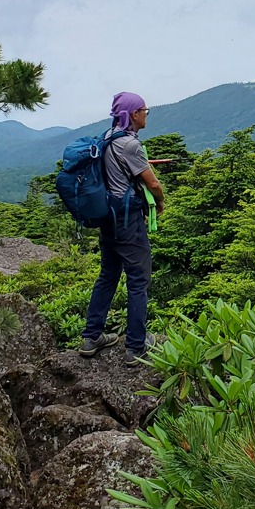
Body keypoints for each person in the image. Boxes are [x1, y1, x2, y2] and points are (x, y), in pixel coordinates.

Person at [80, 90, 165, 365]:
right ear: (134, 114)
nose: (146, 114)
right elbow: (152, 184)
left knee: (108, 276)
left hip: (108, 218)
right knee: (138, 280)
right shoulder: (130, 145)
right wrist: (160, 202)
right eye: (144, 110)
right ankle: (136, 347)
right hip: (128, 220)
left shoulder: (107, 138)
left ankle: (91, 337)